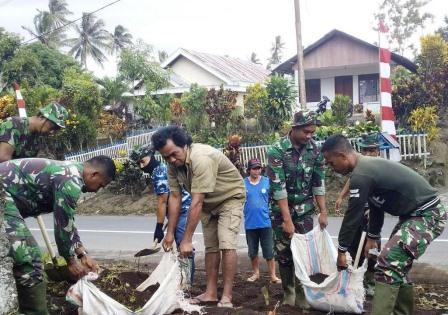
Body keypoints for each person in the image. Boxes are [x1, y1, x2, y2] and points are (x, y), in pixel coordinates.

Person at [321, 134, 446, 315]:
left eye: (331, 163)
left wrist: (341, 251)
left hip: (427, 214)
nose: (332, 168)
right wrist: (372, 236)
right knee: (395, 265)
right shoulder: (365, 170)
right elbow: (376, 204)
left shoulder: (361, 174)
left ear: (342, 155)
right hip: (412, 216)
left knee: (388, 263)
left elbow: (352, 217)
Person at [0, 156, 116, 314]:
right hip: (2, 194)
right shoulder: (71, 181)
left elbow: (67, 221)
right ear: (94, 174)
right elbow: (62, 227)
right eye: (101, 185)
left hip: (6, 195)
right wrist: (70, 261)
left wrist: (82, 254)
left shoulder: (72, 172)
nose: (97, 190)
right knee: (28, 255)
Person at [153, 125, 245, 308]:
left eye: (174, 154)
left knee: (226, 243)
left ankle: (226, 296)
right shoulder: (173, 165)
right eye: (165, 157)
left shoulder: (201, 158)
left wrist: (186, 240)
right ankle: (210, 293)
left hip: (229, 197)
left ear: (184, 145)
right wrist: (170, 234)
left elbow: (196, 202)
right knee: (211, 247)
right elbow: (175, 197)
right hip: (208, 203)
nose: (171, 159)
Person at [266, 111, 328, 309]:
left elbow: (319, 182)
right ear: (295, 128)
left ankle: (303, 293)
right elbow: (278, 187)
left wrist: (323, 211)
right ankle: (289, 293)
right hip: (280, 210)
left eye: (312, 132)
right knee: (284, 254)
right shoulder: (277, 150)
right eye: (306, 132)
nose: (310, 136)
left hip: (305, 211)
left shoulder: (315, 149)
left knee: (305, 253)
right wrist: (286, 220)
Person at [129, 144, 195, 281]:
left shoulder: (159, 171)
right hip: (179, 210)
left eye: (143, 161)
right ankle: (185, 281)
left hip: (183, 211)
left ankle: (187, 284)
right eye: (138, 164)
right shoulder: (163, 169)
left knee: (184, 247)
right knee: (181, 245)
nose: (141, 166)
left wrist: (158, 227)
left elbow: (162, 201)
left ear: (151, 157)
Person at [334, 133, 381, 296]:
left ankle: (370, 282)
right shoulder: (359, 166)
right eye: (366, 150)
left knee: (373, 249)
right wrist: (341, 196)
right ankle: (353, 281)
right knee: (354, 248)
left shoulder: (381, 166)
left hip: (373, 215)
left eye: (372, 150)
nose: (369, 154)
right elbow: (352, 179)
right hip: (358, 212)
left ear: (378, 151)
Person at [243, 158, 280, 284]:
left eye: (258, 168)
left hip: (265, 223)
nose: (257, 170)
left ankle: (273, 276)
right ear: (248, 170)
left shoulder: (267, 182)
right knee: (252, 251)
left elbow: (275, 198)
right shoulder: (243, 184)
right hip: (250, 223)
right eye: (254, 168)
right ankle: (256, 273)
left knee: (269, 251)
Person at [0, 102, 69, 162]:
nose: (52, 132)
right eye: (52, 127)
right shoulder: (13, 124)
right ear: (42, 117)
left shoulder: (38, 137)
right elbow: (3, 159)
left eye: (56, 130)